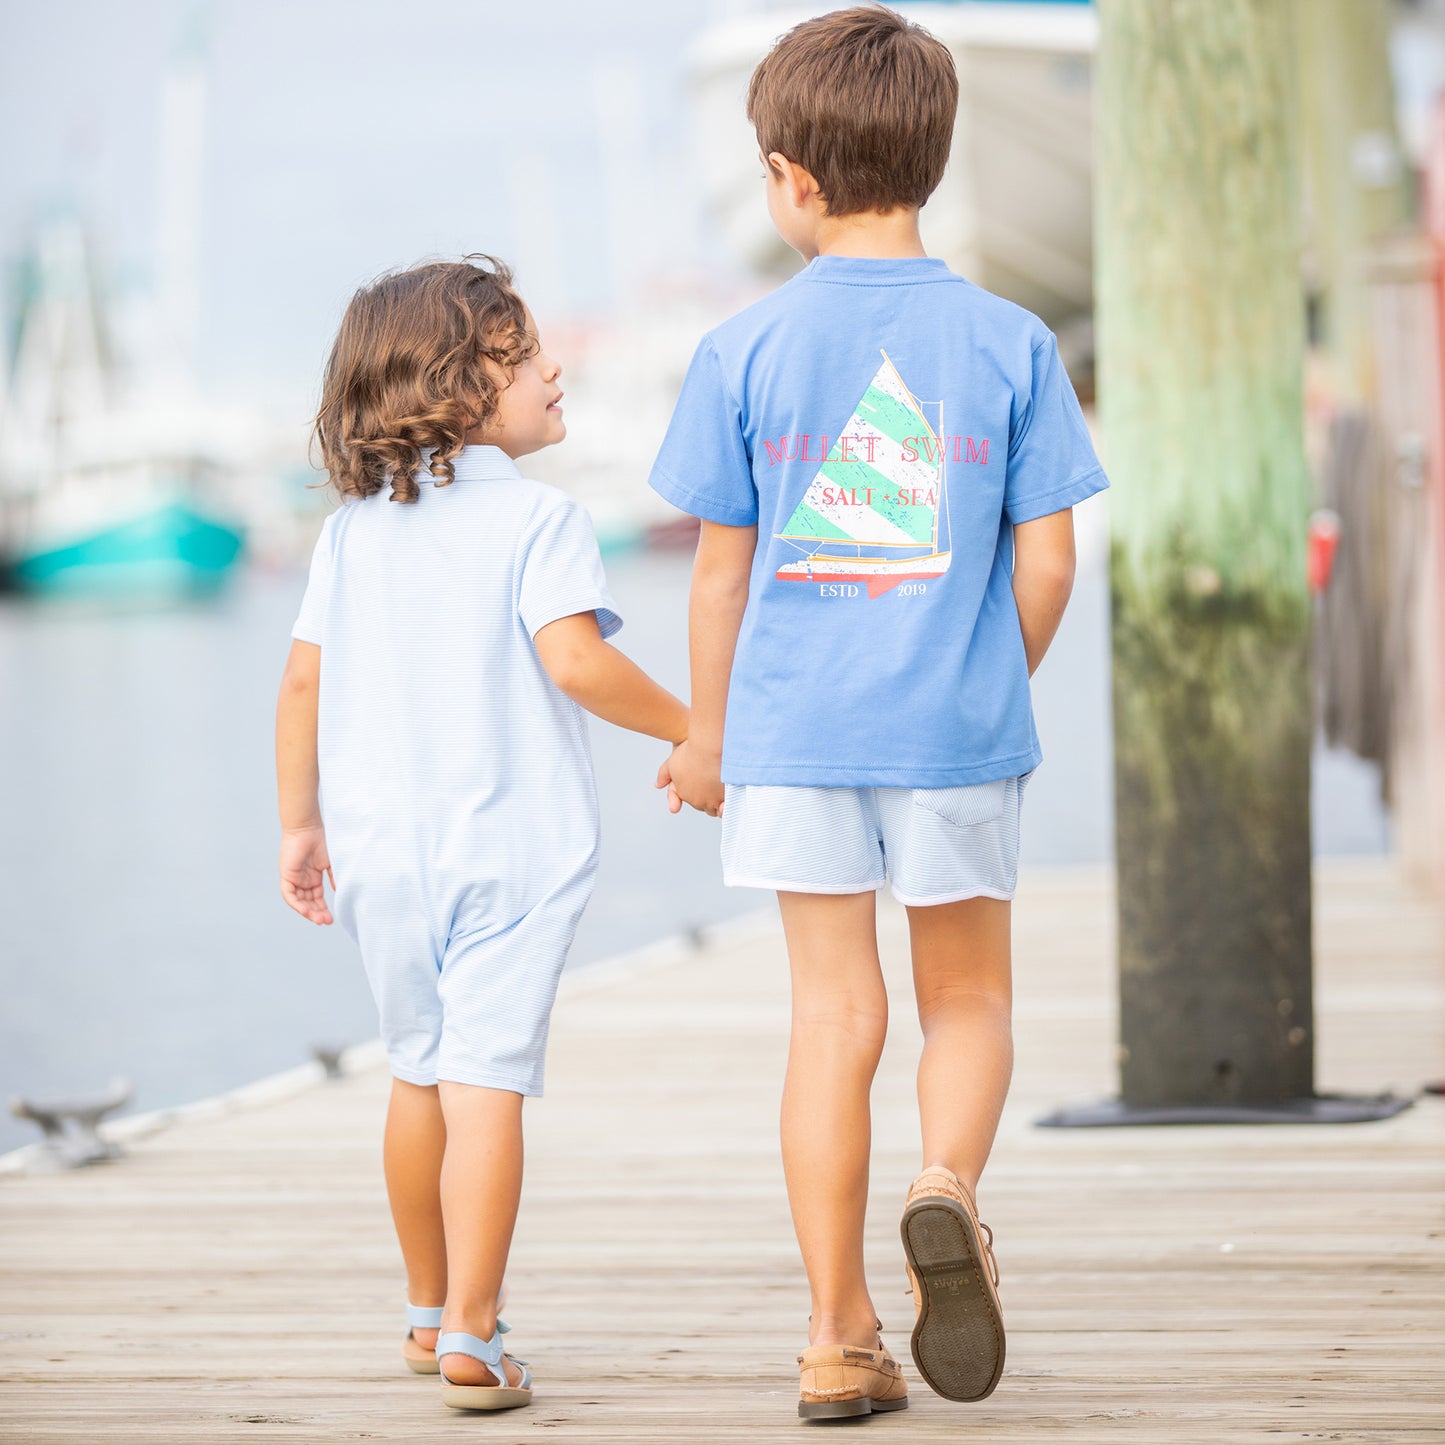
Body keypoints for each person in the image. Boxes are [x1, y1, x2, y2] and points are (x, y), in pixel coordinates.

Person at [652, 6, 1106, 1422]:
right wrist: (986, 679)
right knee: (963, 998)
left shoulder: (741, 349)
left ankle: (837, 1335)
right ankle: (946, 1189)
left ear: (786, 177)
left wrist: (708, 737)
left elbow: (719, 579)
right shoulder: (1014, 338)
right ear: (940, 153)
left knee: (830, 1017)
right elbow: (1049, 556)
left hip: (791, 734)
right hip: (953, 729)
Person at [275, 257, 687, 1414]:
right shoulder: (540, 517)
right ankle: (473, 1328)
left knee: (417, 1070)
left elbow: (300, 687)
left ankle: (421, 1310)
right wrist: (692, 726)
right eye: (524, 355)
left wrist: (299, 822)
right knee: (486, 1080)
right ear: (461, 385)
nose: (555, 369)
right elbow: (576, 660)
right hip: (507, 855)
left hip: (383, 857)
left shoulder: (353, 531)